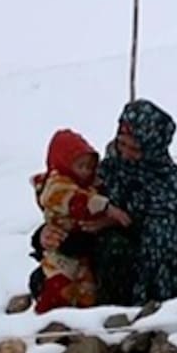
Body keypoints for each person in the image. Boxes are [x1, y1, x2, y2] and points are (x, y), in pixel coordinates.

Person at [35, 99, 177, 305]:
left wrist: (113, 224)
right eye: (122, 144)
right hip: (101, 261)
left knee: (115, 249)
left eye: (136, 148)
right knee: (48, 275)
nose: (126, 154)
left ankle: (112, 314)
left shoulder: (170, 185)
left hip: (156, 276)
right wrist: (45, 234)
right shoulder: (109, 169)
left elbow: (165, 245)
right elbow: (72, 201)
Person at [29, 129, 131, 313]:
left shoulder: (97, 182)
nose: (87, 171)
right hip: (65, 250)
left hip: (101, 258)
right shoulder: (59, 184)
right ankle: (50, 324)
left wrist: (107, 222)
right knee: (57, 285)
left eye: (90, 166)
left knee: (85, 291)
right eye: (81, 166)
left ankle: (84, 320)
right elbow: (76, 201)